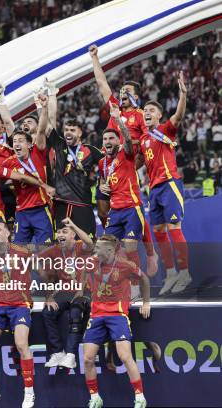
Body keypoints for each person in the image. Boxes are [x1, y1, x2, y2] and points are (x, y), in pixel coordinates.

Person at [82, 235, 151, 408]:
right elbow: (82, 273)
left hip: (117, 314)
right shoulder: (91, 262)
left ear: (110, 250)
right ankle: (95, 397)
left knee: (125, 356)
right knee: (88, 359)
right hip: (96, 315)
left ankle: (140, 397)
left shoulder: (125, 265)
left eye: (98, 248)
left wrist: (146, 302)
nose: (95, 251)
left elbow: (144, 279)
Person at [141, 72, 191, 294]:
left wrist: (183, 94)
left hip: (169, 182)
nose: (147, 113)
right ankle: (170, 273)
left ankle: (185, 273)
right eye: (145, 111)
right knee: (158, 230)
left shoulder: (165, 130)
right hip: (154, 189)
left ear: (160, 115)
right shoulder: (144, 139)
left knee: (173, 228)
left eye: (151, 110)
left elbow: (179, 116)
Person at [0, 222, 36, 408]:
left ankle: (29, 392)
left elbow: (44, 269)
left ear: (8, 233)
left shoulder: (23, 251)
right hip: (0, 305)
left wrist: (50, 293)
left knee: (21, 344)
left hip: (20, 304)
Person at [40, 85, 102, 237]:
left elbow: (107, 165)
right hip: (62, 203)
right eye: (66, 130)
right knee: (62, 245)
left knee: (86, 245)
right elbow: (47, 127)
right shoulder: (60, 144)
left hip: (83, 204)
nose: (68, 132)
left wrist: (104, 182)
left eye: (72, 130)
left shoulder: (91, 150)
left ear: (80, 133)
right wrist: (44, 106)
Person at [39, 218, 94, 369]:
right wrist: (49, 294)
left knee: (76, 313)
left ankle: (70, 355)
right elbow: (35, 261)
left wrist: (74, 225)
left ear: (73, 235)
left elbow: (90, 242)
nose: (60, 234)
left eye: (65, 231)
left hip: (83, 291)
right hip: (64, 291)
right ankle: (57, 353)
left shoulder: (80, 247)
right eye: (58, 232)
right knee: (47, 312)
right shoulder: (55, 250)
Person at [98, 104, 146, 272]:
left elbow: (127, 138)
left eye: (111, 138)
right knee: (105, 248)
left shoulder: (126, 153)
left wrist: (118, 119)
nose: (108, 142)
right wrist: (101, 185)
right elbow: (104, 179)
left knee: (131, 247)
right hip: (115, 211)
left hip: (132, 207)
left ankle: (135, 287)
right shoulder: (101, 162)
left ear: (118, 141)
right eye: (105, 139)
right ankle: (113, 287)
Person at [3, 126, 53, 244]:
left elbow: (41, 130)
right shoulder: (9, 162)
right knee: (19, 252)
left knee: (47, 250)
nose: (16, 144)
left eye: (20, 141)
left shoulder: (37, 154)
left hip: (41, 209)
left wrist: (43, 108)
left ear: (30, 144)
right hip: (21, 212)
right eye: (14, 141)